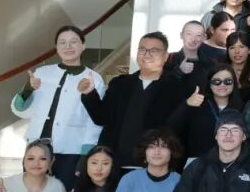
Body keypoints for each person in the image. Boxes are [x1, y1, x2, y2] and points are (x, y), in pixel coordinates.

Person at [12, 25, 105, 188]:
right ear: (56, 47)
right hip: (36, 148)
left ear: (83, 45)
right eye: (62, 42)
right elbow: (19, 109)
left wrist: (86, 153)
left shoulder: (93, 79)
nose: (68, 46)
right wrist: (28, 89)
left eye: (73, 42)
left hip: (71, 149)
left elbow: (94, 121)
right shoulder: (42, 73)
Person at [81, 31, 189, 170]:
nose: (146, 54)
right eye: (142, 49)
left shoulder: (177, 88)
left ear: (166, 56)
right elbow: (101, 118)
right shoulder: (120, 84)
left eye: (154, 51)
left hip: (153, 167)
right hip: (115, 164)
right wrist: (89, 93)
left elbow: (179, 129)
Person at [167, 64, 245, 163]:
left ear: (234, 84)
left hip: (232, 163)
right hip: (198, 163)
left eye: (228, 81)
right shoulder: (197, 103)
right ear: (210, 84)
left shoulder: (242, 108)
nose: (222, 85)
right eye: (216, 81)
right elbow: (170, 127)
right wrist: (186, 105)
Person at [165, 20, 208, 85]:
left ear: (204, 38)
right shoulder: (169, 59)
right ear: (181, 35)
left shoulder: (210, 63)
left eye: (198, 35)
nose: (193, 39)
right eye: (189, 34)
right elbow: (159, 85)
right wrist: (180, 71)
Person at [226, 31, 250, 101]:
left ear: (249, 50)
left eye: (241, 47)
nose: (237, 51)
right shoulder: (221, 71)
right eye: (232, 47)